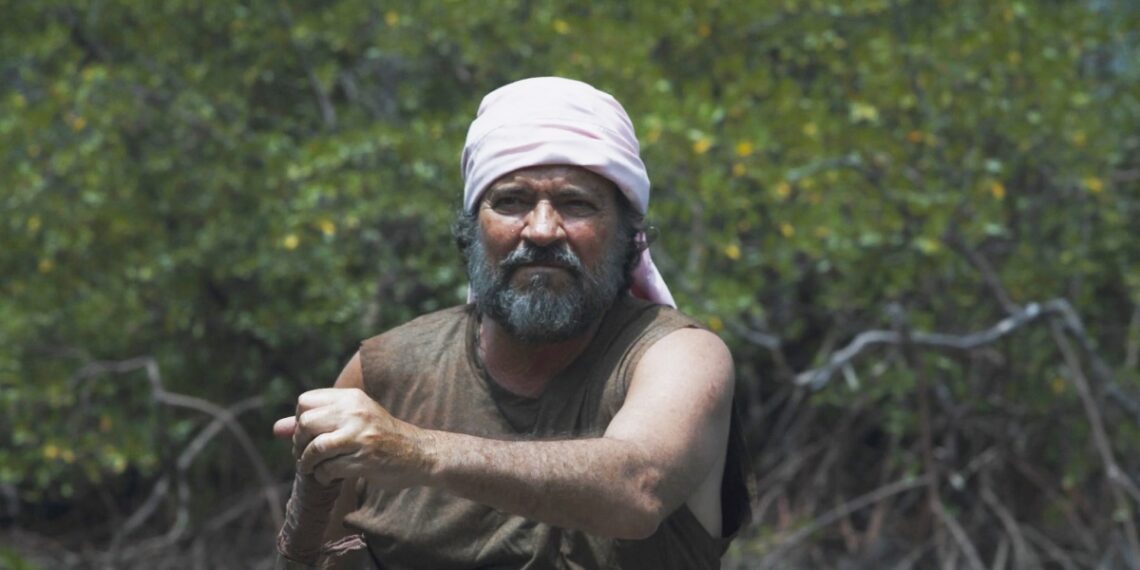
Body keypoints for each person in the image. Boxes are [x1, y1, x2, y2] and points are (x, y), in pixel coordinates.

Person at [272, 77, 751, 569]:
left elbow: (637, 489)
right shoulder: (387, 371)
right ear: (472, 228)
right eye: (511, 201)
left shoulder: (677, 356)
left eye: (576, 203)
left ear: (629, 235)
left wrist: (416, 452)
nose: (542, 230)